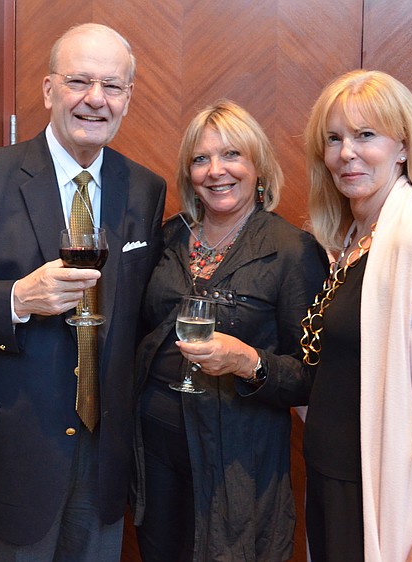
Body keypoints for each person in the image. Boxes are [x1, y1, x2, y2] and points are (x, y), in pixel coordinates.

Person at [0, 22, 166, 561]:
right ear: (48, 89)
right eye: (79, 80)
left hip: (104, 455)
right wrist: (15, 299)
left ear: (129, 97)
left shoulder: (145, 189)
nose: (94, 99)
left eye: (112, 85)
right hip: (12, 454)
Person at [132, 99, 328, 561]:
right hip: (156, 452)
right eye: (201, 159)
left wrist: (248, 362)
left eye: (232, 155)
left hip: (237, 462)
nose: (216, 170)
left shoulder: (291, 251)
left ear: (258, 166)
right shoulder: (168, 237)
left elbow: (310, 378)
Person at [297, 69, 412, 561]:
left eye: (365, 135)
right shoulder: (354, 239)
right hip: (332, 482)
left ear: (403, 147)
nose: (346, 152)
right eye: (334, 139)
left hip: (380, 493)